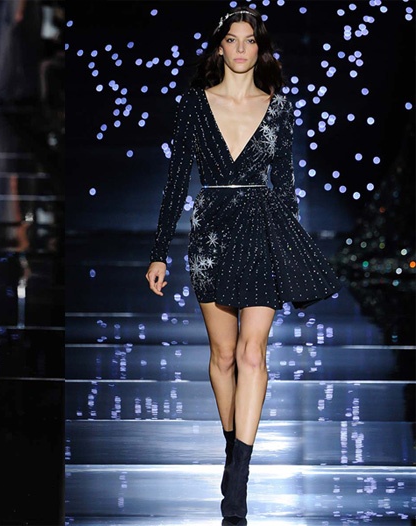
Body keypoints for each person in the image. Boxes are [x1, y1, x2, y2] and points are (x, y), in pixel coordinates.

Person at [145, 6, 341, 524]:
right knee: (224, 354)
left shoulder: (278, 107)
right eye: (232, 40)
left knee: (254, 354)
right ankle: (233, 446)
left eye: (249, 40)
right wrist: (159, 251)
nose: (240, 49)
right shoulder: (195, 104)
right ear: (220, 47)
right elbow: (175, 181)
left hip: (262, 230)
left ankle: (238, 476)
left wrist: (291, 248)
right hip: (211, 232)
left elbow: (286, 185)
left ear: (260, 48)